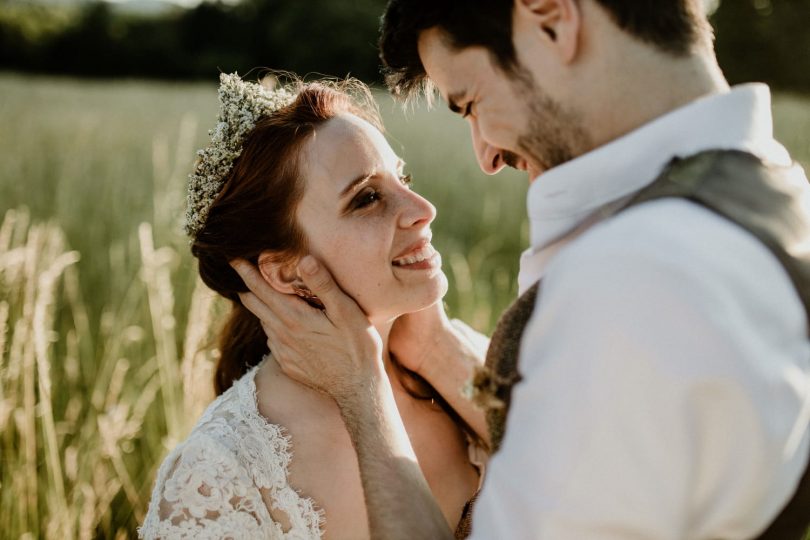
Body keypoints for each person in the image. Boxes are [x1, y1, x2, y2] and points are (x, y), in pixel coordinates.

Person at [231, 0, 810, 538]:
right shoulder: (772, 197)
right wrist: (433, 350)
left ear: (552, 17)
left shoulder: (634, 280)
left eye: (471, 102)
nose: (485, 155)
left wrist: (361, 391)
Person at [138, 73, 490, 539]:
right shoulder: (219, 477)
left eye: (402, 178)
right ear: (285, 272)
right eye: (368, 198)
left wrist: (437, 349)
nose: (422, 208)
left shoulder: (466, 356)